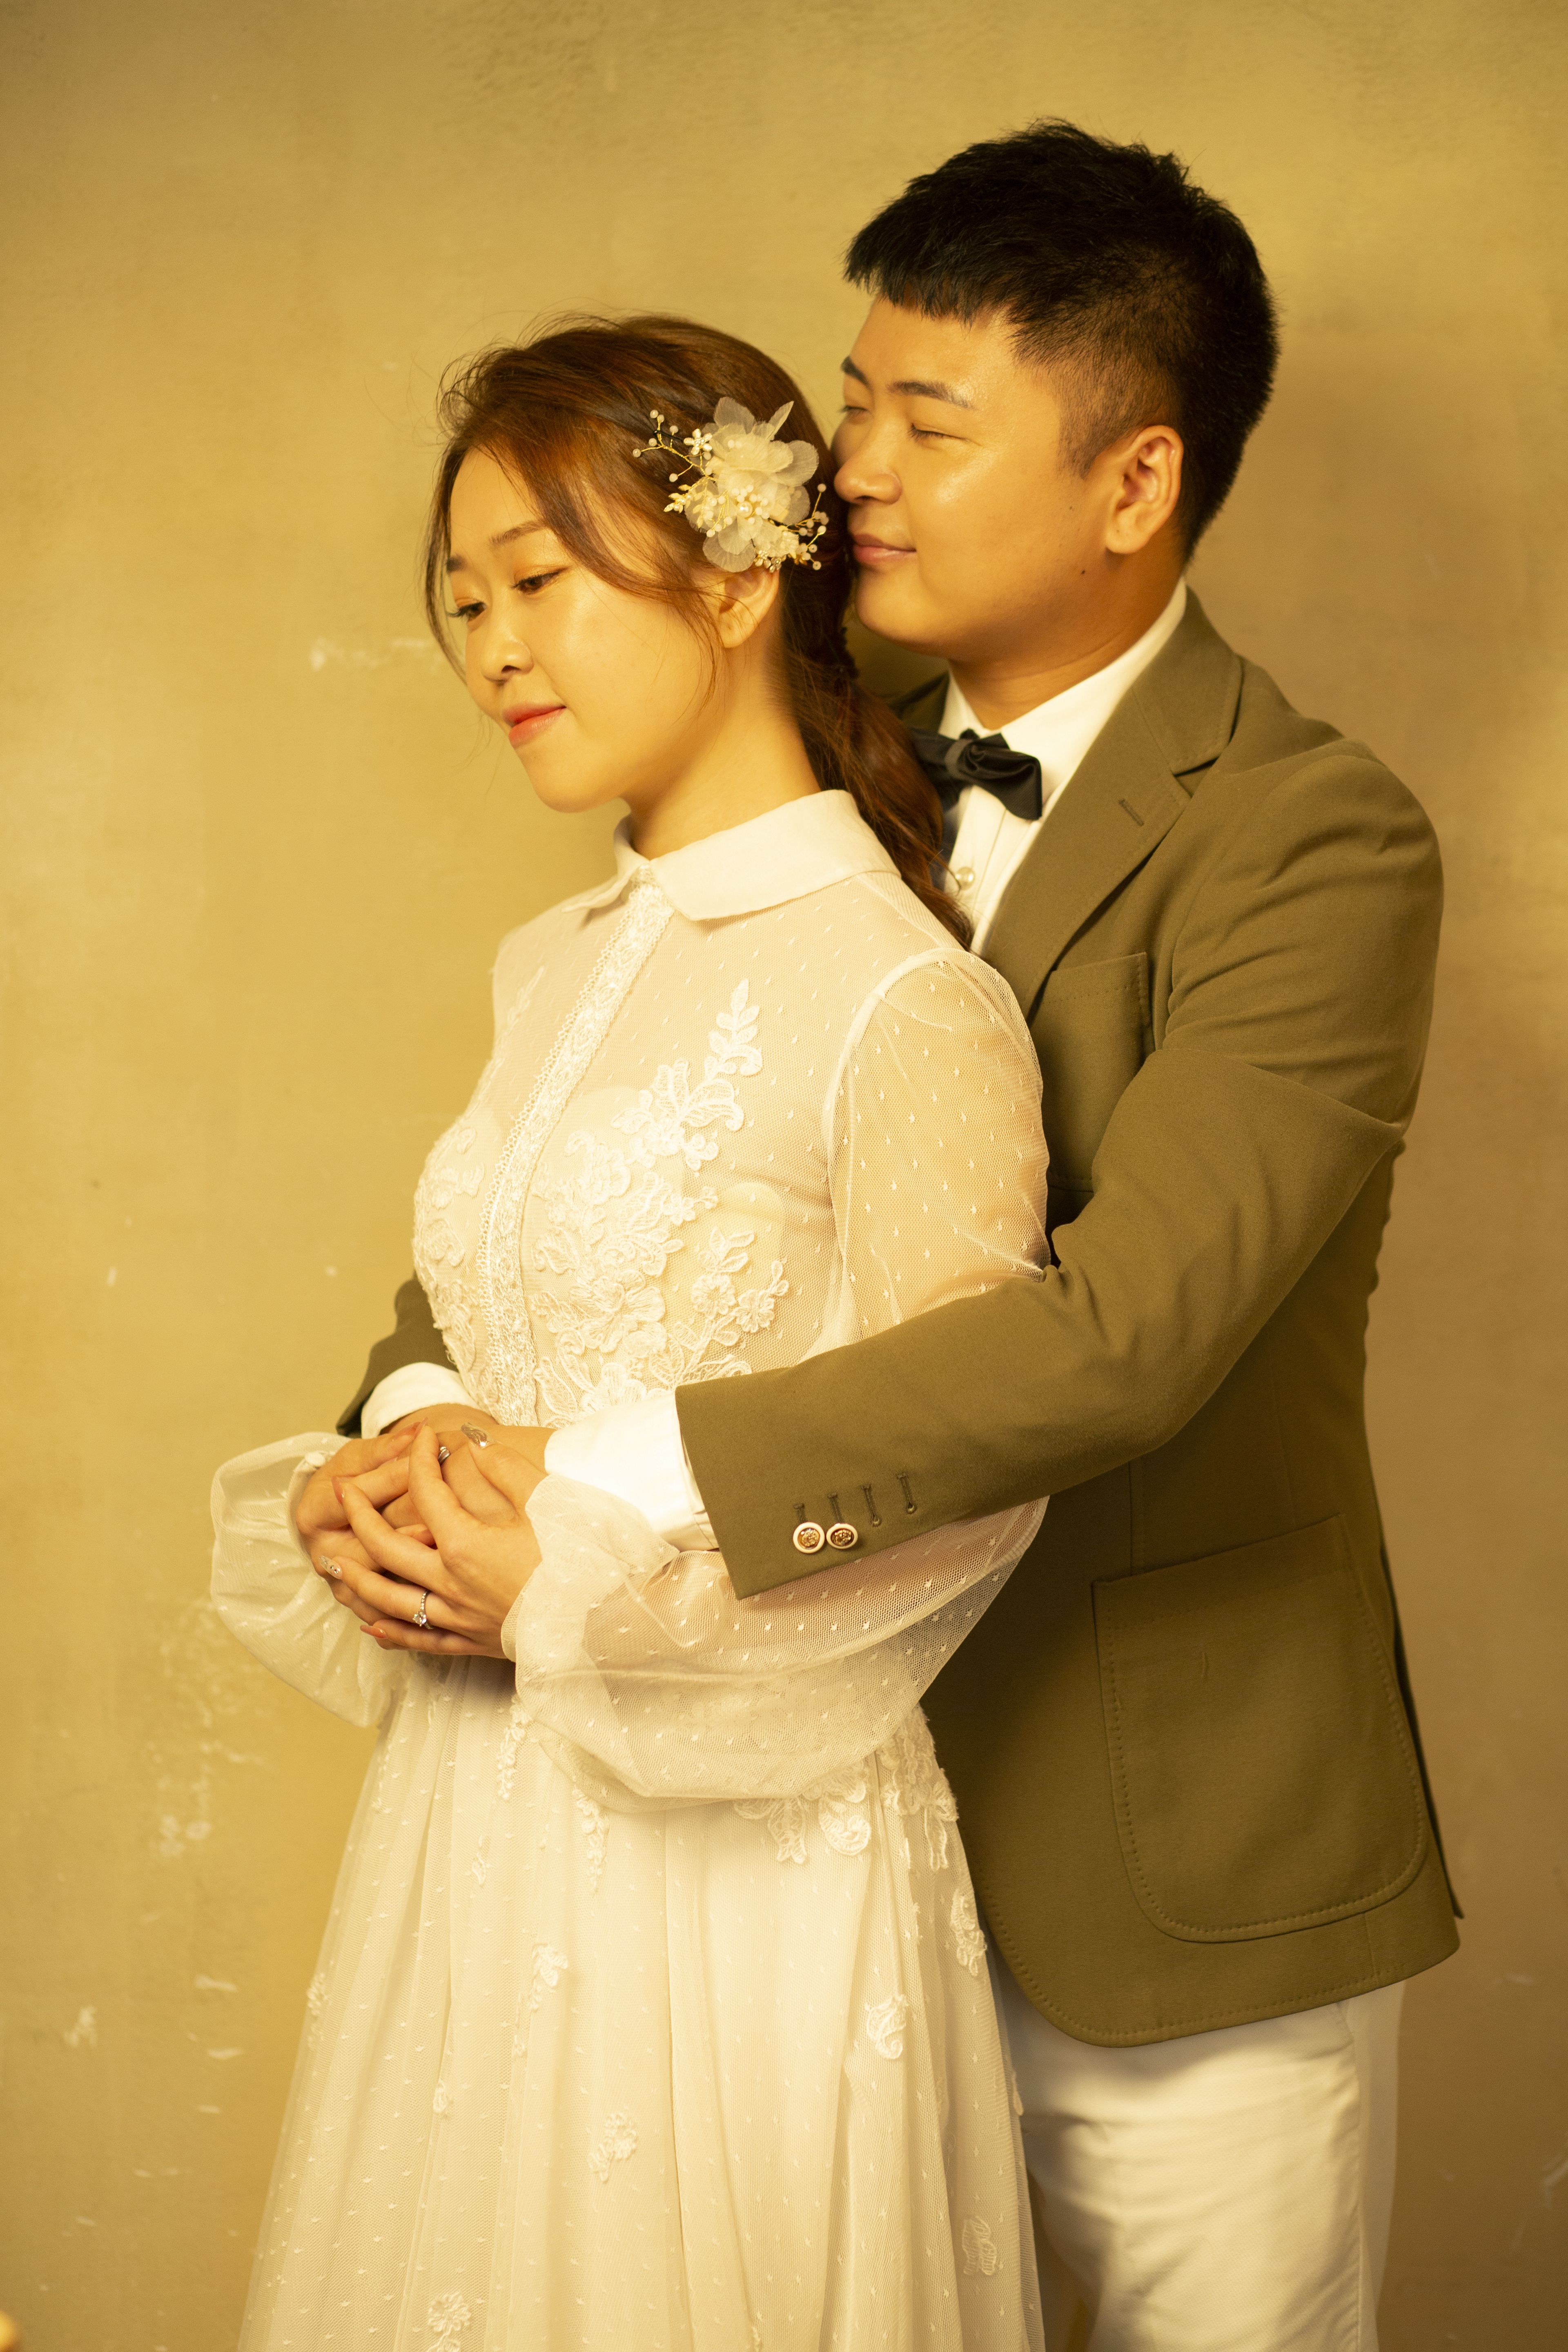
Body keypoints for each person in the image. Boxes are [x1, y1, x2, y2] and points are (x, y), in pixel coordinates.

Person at [319, 125, 1461, 2350]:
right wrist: (413, 1424)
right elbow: (576, 1173)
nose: (854, 471)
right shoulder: (793, 768)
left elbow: (1123, 1337)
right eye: (849, 408)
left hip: (1161, 1870)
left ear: (1134, 483)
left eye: (928, 426)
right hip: (764, 1833)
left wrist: (586, 1477)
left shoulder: (1313, 841)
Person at [213, 315, 1051, 2348]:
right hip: (475, 1820)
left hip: (739, 1842)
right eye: (465, 603)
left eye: (541, 582)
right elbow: (494, 1311)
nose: (496, 650)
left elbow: (971, 1465)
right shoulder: (549, 963)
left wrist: (590, 1598)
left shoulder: (901, 997)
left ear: (742, 582)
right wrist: (384, 1471)